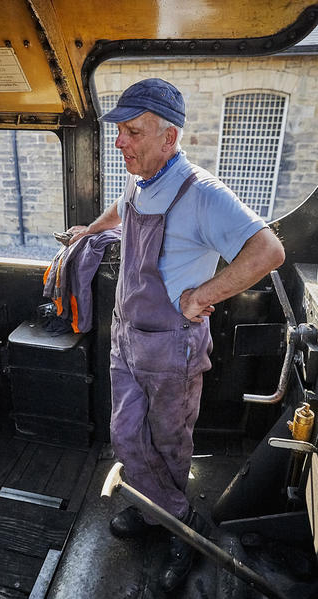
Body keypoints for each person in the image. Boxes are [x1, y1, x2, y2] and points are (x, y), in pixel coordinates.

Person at [68, 78, 285, 592]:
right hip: (127, 337)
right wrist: (93, 231)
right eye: (120, 131)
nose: (121, 142)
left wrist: (202, 294)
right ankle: (161, 511)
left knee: (169, 444)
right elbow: (123, 209)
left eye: (133, 132)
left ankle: (177, 529)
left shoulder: (203, 194)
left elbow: (268, 251)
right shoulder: (141, 177)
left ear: (170, 136)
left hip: (172, 346)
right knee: (126, 434)